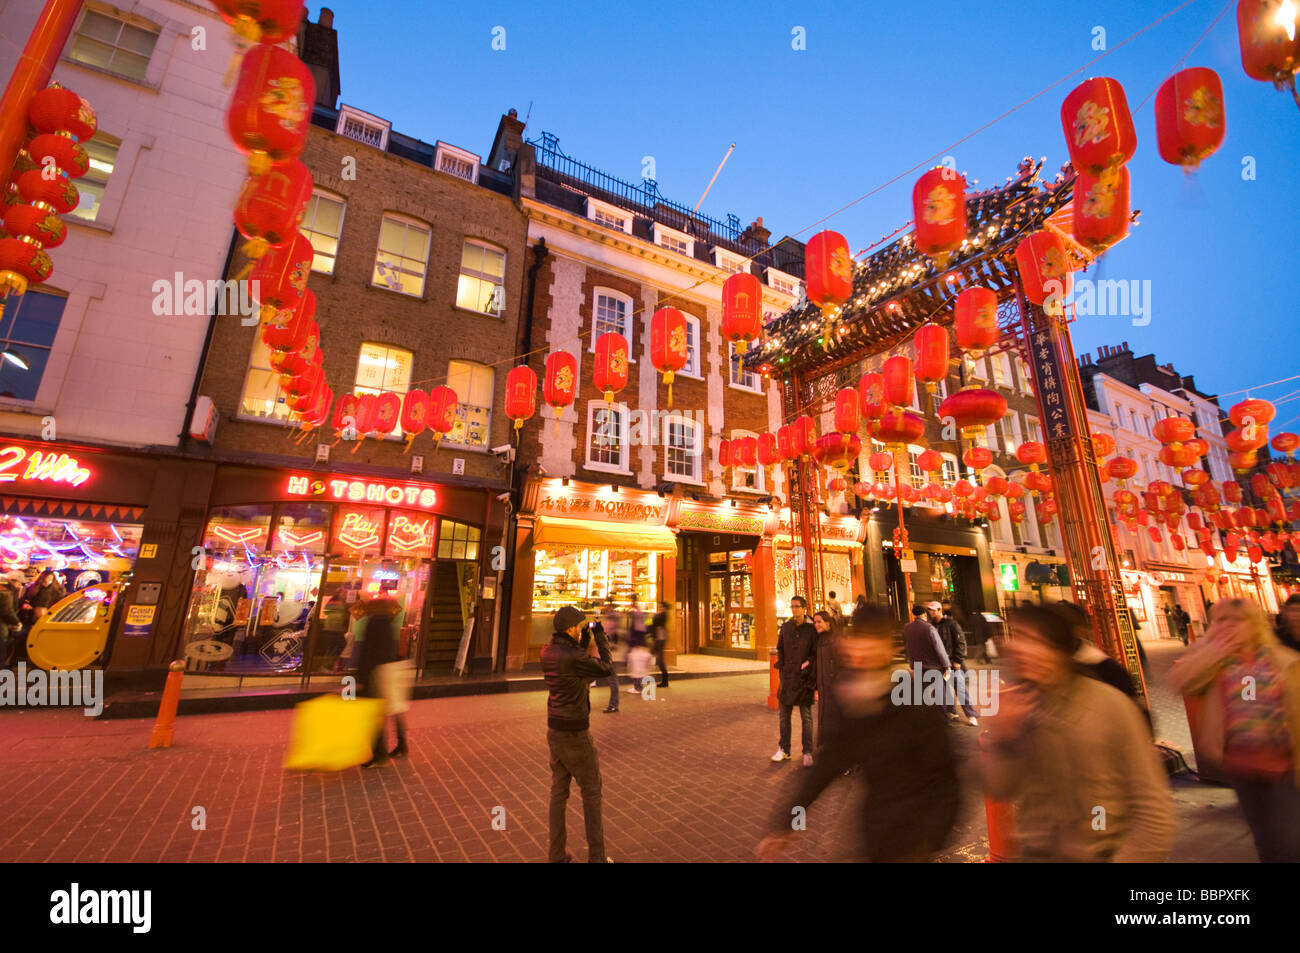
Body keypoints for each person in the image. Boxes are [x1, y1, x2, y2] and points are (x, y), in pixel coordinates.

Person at [757, 604, 960, 862]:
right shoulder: (854, 699)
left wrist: (928, 842)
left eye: (872, 640)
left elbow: (947, 780)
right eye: (859, 639)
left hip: (914, 840)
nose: (863, 650)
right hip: (874, 834)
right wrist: (790, 822)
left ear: (889, 646)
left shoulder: (914, 697)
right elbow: (825, 768)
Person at [982, 604, 1175, 862]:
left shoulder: (1109, 705)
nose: (1015, 647)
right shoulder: (1019, 706)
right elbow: (1000, 787)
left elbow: (1153, 808)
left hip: (1103, 853)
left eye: (1029, 639)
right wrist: (1002, 740)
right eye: (1014, 636)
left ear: (1057, 650)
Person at [1169, 598, 1300, 862]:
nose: (1228, 627)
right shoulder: (1214, 661)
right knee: (1265, 840)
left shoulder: (1282, 659)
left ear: (1254, 625)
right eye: (1221, 620)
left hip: (1285, 767)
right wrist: (1213, 653)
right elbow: (1180, 682)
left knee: (1289, 842)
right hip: (1241, 766)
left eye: (1236, 621)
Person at [541, 605, 613, 863]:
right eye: (579, 626)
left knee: (559, 791)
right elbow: (605, 668)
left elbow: (574, 661)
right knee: (592, 791)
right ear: (571, 628)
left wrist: (584, 640)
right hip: (575, 732)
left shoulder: (547, 651)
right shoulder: (572, 656)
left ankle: (556, 854)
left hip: (554, 729)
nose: (581, 628)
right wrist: (601, 637)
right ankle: (597, 857)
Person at [354, 591, 407, 768]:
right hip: (389, 671)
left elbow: (368, 653)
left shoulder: (374, 623)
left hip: (376, 674)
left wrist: (360, 677)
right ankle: (400, 745)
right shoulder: (388, 623)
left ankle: (380, 754)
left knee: (375, 716)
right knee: (392, 710)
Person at [772, 595, 818, 766]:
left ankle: (807, 752)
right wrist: (782, 667)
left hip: (804, 679)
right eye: (792, 606)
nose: (794, 610)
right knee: (784, 716)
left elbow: (815, 652)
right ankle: (784, 749)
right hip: (787, 678)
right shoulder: (786, 627)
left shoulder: (812, 629)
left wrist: (809, 663)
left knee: (806, 717)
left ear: (804, 608)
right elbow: (780, 648)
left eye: (797, 606)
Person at [929, 601, 977, 726]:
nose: (932, 612)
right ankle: (952, 712)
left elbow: (960, 642)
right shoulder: (930, 626)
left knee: (960, 688)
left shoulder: (951, 624)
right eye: (930, 610)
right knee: (944, 690)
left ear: (940, 610)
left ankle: (971, 714)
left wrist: (957, 660)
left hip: (951, 662)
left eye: (934, 610)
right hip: (939, 664)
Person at [811, 609, 837, 744]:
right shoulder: (820, 641)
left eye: (819, 622)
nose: (817, 625)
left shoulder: (835, 641)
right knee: (824, 716)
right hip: (823, 687)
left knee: (833, 718)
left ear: (828, 623)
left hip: (833, 688)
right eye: (815, 622)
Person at [600, 601, 623, 713]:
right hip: (608, 655)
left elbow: (612, 640)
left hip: (611, 656)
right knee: (612, 680)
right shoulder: (611, 621)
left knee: (612, 680)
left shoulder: (612, 623)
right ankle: (614, 704)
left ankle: (613, 705)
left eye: (607, 606)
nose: (605, 608)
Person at [0, 574, 21, 668]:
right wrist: (17, 622)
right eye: (19, 582)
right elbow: (7, 611)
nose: (20, 585)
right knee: (2, 649)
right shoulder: (6, 592)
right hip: (1, 626)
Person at [650, 601, 670, 688]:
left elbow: (654, 621)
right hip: (659, 638)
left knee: (660, 659)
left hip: (660, 638)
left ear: (664, 607)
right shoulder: (662, 614)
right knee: (657, 657)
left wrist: (653, 616)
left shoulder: (663, 615)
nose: (659, 608)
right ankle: (664, 680)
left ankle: (665, 681)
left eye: (660, 606)